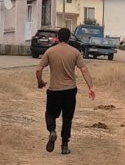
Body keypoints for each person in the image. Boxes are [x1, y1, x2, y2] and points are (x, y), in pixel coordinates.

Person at [36, 26, 95, 155]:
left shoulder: (50, 51)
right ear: (69, 38)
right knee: (67, 118)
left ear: (57, 38)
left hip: (54, 90)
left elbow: (38, 69)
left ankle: (52, 131)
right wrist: (91, 87)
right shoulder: (75, 52)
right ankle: (64, 146)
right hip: (70, 91)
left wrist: (40, 82)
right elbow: (84, 69)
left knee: (50, 114)